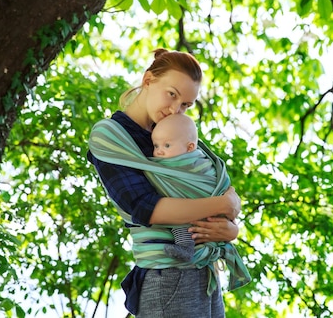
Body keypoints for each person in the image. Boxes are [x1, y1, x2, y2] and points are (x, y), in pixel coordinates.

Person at [87, 49, 250, 318]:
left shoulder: (172, 133)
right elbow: (145, 208)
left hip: (204, 272)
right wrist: (224, 203)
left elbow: (204, 184)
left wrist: (230, 230)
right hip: (168, 275)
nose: (176, 109)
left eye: (186, 104)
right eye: (172, 94)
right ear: (148, 80)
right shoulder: (111, 135)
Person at [151, 113, 213, 261]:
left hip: (200, 209)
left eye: (167, 145)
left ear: (190, 147)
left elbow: (213, 180)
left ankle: (185, 247)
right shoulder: (167, 161)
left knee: (178, 219)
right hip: (204, 210)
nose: (159, 151)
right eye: (155, 145)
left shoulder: (198, 162)